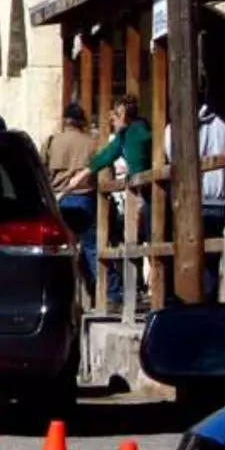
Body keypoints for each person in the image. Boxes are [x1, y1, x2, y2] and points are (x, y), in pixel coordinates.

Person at [164, 96, 225, 300]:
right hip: (220, 198)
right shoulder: (224, 125)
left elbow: (171, 156)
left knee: (187, 254)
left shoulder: (174, 128)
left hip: (192, 200)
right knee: (212, 257)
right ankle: (210, 301)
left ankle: (190, 302)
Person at [89, 94, 152, 307]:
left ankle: (140, 295)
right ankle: (142, 291)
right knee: (144, 244)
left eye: (115, 116)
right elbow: (108, 155)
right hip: (141, 196)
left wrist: (87, 170)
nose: (112, 121)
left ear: (122, 115)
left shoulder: (132, 135)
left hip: (142, 196)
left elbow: (132, 164)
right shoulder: (135, 132)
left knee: (139, 243)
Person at [44, 103, 98, 298]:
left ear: (65, 120)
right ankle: (106, 294)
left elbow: (43, 170)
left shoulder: (51, 142)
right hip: (85, 197)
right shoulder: (92, 143)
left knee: (60, 249)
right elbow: (104, 174)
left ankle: (58, 293)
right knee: (92, 247)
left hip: (60, 199)